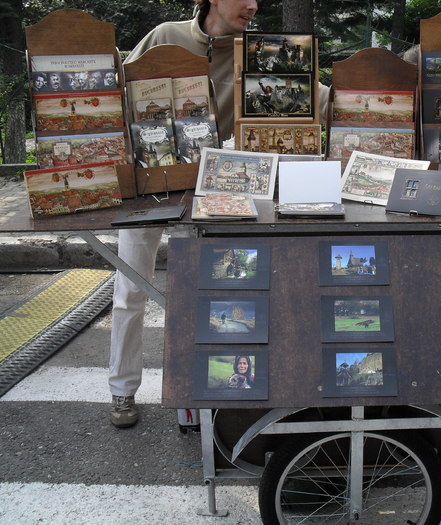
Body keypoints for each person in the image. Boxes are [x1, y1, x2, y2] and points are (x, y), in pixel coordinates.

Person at [108, 0, 329, 428]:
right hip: (149, 184)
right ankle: (122, 390)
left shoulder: (262, 49)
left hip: (219, 191)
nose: (253, 5)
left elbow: (314, 95)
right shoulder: (164, 36)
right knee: (130, 288)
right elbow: (120, 96)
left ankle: (198, 400)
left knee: (213, 295)